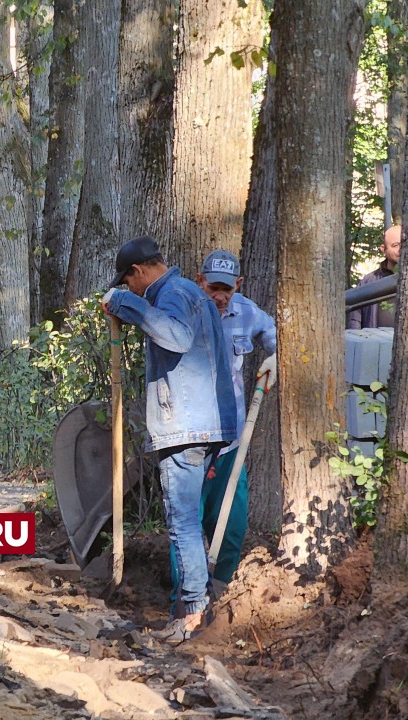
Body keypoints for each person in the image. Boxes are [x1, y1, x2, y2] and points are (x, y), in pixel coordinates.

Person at [101, 236, 237, 643]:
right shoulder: (194, 293)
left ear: (138, 272)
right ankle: (195, 607)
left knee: (182, 524)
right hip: (206, 423)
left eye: (129, 284)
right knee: (188, 523)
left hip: (185, 426)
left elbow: (175, 337)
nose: (131, 290)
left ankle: (191, 613)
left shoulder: (172, 294)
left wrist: (127, 305)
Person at [195, 250, 277, 597]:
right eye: (213, 287)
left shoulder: (246, 311)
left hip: (231, 436)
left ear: (238, 285)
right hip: (191, 435)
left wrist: (275, 355)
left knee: (232, 519)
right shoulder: (187, 307)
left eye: (226, 289)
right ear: (200, 282)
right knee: (187, 518)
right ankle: (187, 595)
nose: (219, 295)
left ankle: (221, 584)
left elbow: (276, 335)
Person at [347, 224, 401, 329]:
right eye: (395, 245)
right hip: (374, 344)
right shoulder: (368, 282)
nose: (401, 249)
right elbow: (354, 320)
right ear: (383, 249)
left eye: (404, 243)